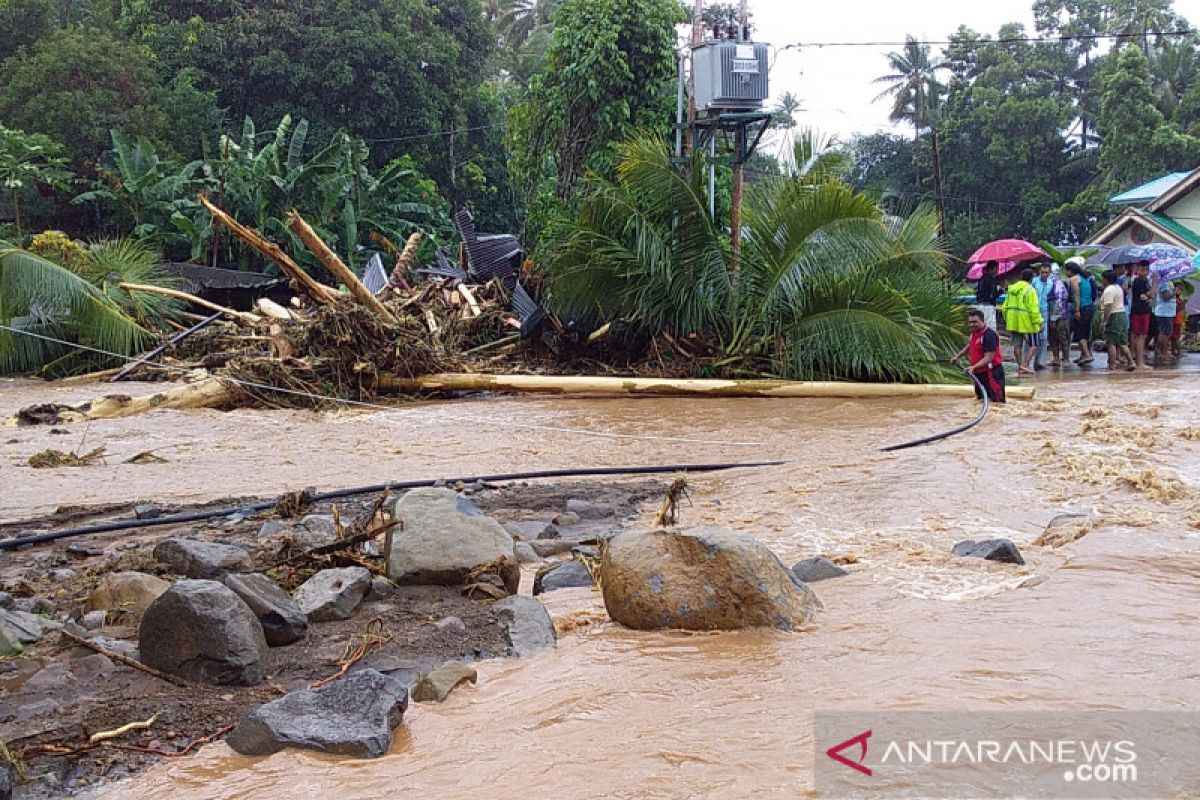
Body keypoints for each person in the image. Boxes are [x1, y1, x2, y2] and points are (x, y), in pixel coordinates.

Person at [952, 308, 1006, 404]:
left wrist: (973, 367)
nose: (972, 324)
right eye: (970, 322)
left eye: (975, 322)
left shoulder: (989, 335)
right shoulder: (974, 333)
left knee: (996, 403)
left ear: (982, 321)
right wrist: (958, 356)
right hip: (978, 374)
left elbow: (989, 357)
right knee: (981, 400)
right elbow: (970, 345)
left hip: (991, 374)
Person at [1002, 267, 1044, 375]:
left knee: (1017, 345)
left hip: (1013, 322)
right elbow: (1034, 309)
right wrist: (1039, 322)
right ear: (1031, 279)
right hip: (1027, 322)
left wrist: (1008, 319)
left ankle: (1019, 365)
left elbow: (1004, 307)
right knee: (1034, 344)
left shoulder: (1011, 290)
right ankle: (1025, 364)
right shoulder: (1030, 290)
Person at [1099, 269, 1135, 371]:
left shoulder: (1109, 290)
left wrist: (1105, 321)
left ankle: (1112, 365)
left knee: (1111, 342)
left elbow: (1108, 306)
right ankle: (1131, 362)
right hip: (1122, 315)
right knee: (1122, 342)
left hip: (1114, 316)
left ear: (1106, 279)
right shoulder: (1118, 288)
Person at [1066, 259, 1095, 365]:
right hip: (1090, 307)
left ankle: (1087, 355)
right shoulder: (1085, 278)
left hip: (1082, 307)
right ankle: (1083, 355)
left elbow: (1077, 295)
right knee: (1086, 331)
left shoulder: (1074, 279)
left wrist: (1077, 310)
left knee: (1080, 333)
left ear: (1070, 271)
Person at [1129, 260, 1152, 369]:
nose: (1145, 272)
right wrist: (1155, 287)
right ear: (1137, 270)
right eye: (1142, 269)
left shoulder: (1146, 280)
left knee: (1142, 336)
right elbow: (1144, 297)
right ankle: (1139, 362)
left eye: (1147, 269)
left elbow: (1148, 295)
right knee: (1140, 337)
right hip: (1139, 312)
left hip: (1144, 311)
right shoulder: (1138, 282)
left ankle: (1140, 361)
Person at [1030, 263, 1054, 369]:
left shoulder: (1050, 283)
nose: (1044, 274)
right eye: (1042, 272)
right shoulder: (1034, 281)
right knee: (1032, 336)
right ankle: (1030, 361)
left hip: (1044, 311)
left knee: (1044, 337)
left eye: (1046, 272)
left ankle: (1040, 361)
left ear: (1050, 273)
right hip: (1033, 311)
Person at [1046, 265, 1071, 367]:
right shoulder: (1050, 283)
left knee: (1062, 338)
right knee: (1053, 338)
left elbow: (1058, 302)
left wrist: (1052, 318)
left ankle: (1065, 359)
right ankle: (1056, 358)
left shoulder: (1056, 284)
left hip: (1060, 315)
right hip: (1052, 314)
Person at [1153, 276, 1177, 365]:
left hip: (1166, 312)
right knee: (1165, 333)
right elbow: (1166, 297)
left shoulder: (1166, 283)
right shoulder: (1164, 284)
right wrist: (1175, 292)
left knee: (1165, 332)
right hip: (1165, 312)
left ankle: (1160, 350)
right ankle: (1163, 352)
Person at [975, 261, 1001, 331]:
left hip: (980, 305)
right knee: (990, 328)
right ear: (990, 269)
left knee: (981, 328)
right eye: (996, 268)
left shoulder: (982, 278)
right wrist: (1001, 291)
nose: (997, 270)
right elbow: (993, 295)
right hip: (988, 307)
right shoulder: (990, 280)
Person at [1172, 281, 1187, 359]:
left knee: (1175, 337)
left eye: (1181, 289)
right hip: (1175, 321)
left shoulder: (1178, 298)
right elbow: (1176, 310)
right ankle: (1179, 352)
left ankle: (1174, 351)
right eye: (1179, 289)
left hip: (1178, 320)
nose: (1181, 291)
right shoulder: (1174, 298)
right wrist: (1183, 304)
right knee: (1176, 337)